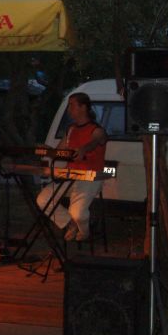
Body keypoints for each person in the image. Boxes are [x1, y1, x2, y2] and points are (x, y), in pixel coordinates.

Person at [36, 92, 107, 241]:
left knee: (77, 213)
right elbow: (58, 152)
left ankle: (84, 232)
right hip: (69, 174)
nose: (69, 109)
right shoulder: (71, 129)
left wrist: (83, 150)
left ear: (83, 107)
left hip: (89, 176)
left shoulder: (97, 130)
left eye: (72, 105)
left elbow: (94, 142)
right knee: (43, 200)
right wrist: (46, 150)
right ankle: (70, 223)